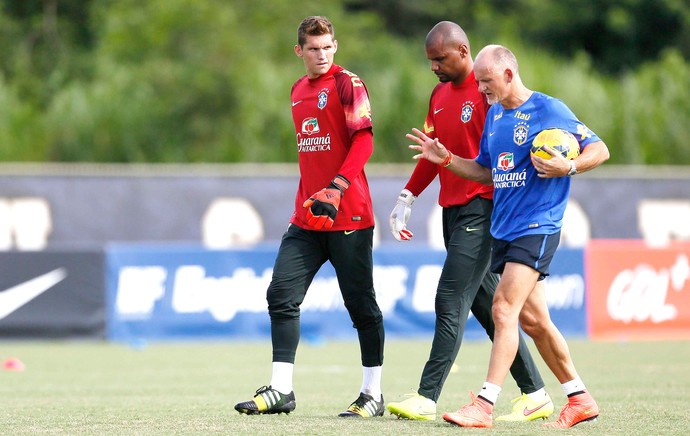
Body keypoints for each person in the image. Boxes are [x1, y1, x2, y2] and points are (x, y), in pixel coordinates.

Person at [407, 44, 610, 429]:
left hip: (538, 225)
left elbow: (599, 149)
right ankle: (580, 397)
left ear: (508, 74)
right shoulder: (496, 117)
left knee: (502, 309)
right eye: (479, 83)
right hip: (504, 229)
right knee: (534, 323)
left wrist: (569, 165)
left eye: (486, 82)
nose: (481, 89)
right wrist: (446, 158)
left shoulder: (549, 109)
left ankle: (484, 404)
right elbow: (485, 172)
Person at [386, 21, 553, 423]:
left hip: (484, 209)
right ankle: (537, 394)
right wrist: (407, 195)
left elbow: (501, 158)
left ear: (462, 52)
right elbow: (434, 154)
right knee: (488, 309)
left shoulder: (488, 96)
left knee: (449, 298)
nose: (433, 67)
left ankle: (427, 397)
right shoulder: (438, 95)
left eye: (439, 59)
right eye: (429, 61)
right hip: (452, 211)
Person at [234, 16, 385, 418]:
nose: (322, 55)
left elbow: (364, 140)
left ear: (336, 45)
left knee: (361, 307)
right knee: (281, 294)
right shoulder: (298, 90)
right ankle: (281, 390)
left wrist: (336, 187)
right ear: (299, 51)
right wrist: (318, 193)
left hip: (348, 215)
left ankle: (373, 393)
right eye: (313, 48)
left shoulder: (347, 83)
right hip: (306, 217)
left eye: (328, 47)